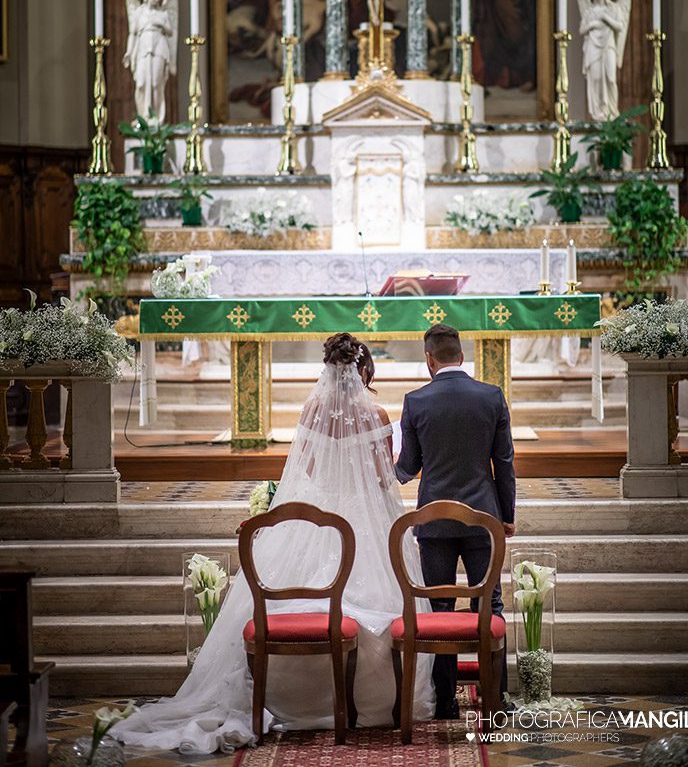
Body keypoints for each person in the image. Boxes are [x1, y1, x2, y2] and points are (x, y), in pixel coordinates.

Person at [115, 334, 434, 753]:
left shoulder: (312, 409)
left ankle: (289, 699)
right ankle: (376, 703)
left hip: (320, 511)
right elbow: (382, 477)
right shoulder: (374, 412)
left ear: (326, 368)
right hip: (365, 516)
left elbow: (311, 470)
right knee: (384, 591)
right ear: (363, 369)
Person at [395, 323, 516, 719]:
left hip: (434, 522)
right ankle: (496, 699)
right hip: (484, 519)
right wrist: (506, 517)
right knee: (490, 604)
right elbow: (504, 463)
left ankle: (445, 702)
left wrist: (376, 468)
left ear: (429, 359)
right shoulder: (491, 396)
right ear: (461, 356)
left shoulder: (415, 401)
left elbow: (408, 468)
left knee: (440, 609)